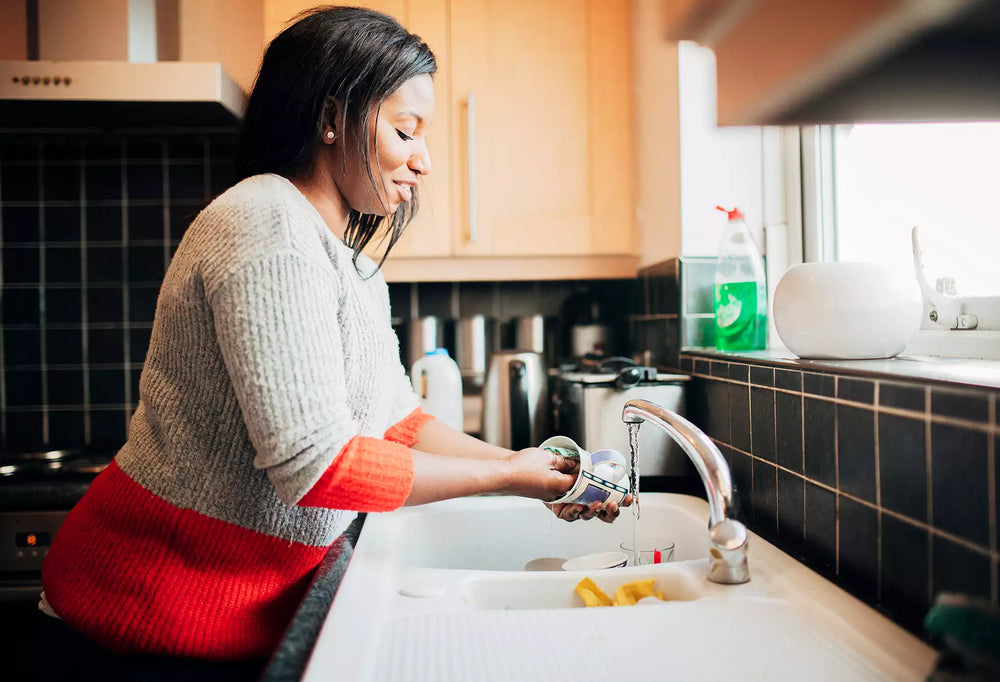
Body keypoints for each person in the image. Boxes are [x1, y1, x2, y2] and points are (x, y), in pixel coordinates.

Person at [38, 7, 629, 680]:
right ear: (330, 117)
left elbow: (397, 424)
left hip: (236, 616)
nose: (425, 160)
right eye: (406, 130)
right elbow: (317, 467)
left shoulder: (348, 263)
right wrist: (503, 477)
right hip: (142, 614)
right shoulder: (264, 223)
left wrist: (524, 466)